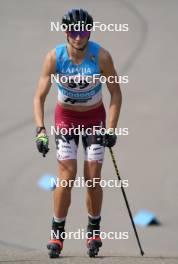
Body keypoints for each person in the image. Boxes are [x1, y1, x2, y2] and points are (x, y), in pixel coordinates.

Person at [33, 8, 122, 258]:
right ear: (66, 32)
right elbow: (39, 97)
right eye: (73, 31)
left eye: (83, 31)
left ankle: (94, 230)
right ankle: (57, 234)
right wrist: (40, 130)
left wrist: (112, 129)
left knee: (93, 176)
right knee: (67, 175)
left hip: (94, 118)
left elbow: (116, 92)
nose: (78, 37)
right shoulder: (54, 57)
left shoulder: (101, 56)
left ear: (89, 31)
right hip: (67, 120)